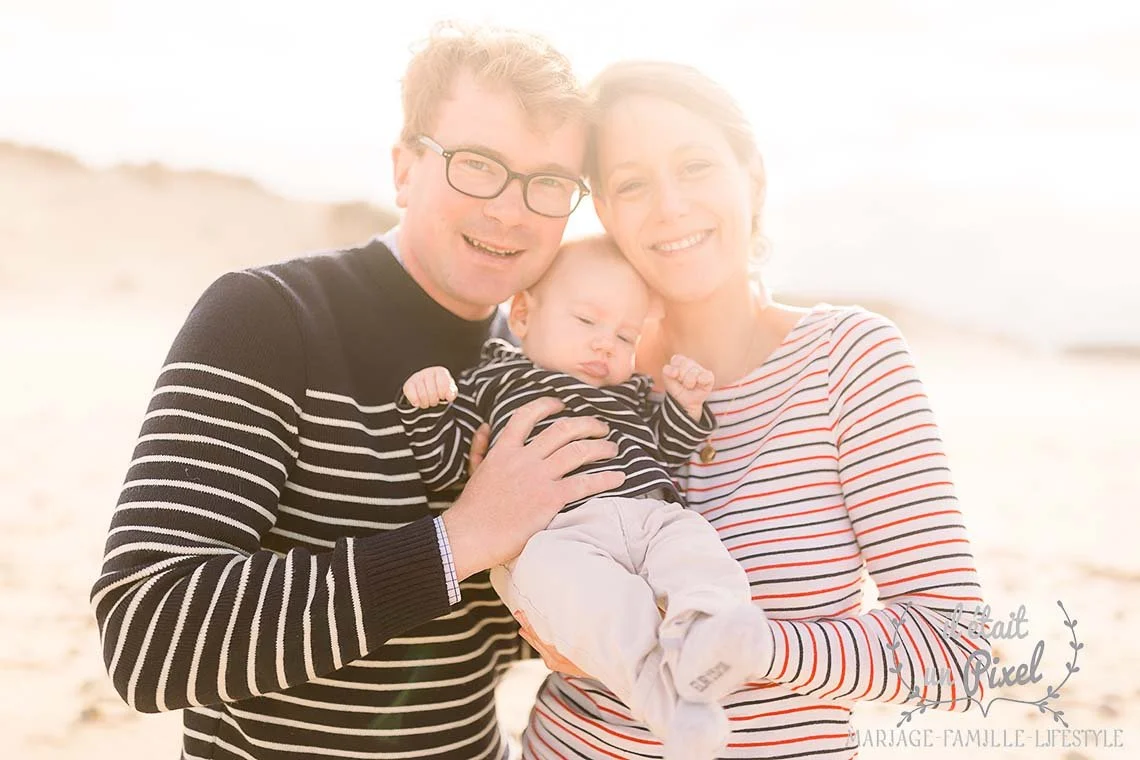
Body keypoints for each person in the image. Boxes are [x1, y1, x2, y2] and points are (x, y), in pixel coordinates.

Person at [89, 23, 626, 760]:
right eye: (478, 164)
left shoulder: (534, 366)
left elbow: (484, 640)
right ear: (404, 168)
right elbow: (148, 638)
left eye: (551, 182)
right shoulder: (266, 316)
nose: (512, 209)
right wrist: (461, 537)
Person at [519, 60, 992, 759]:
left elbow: (957, 653)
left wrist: (749, 645)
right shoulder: (579, 365)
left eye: (696, 166)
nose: (670, 204)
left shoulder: (847, 359)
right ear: (607, 213)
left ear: (755, 178)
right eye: (632, 184)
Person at [398, 235, 773, 759]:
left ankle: (709, 626)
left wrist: (684, 406)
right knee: (600, 607)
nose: (606, 345)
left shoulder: (631, 390)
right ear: (524, 315)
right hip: (559, 534)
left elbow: (666, 447)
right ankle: (675, 713)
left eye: (625, 335)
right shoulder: (494, 380)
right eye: (586, 322)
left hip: (651, 511)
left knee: (694, 547)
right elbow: (445, 467)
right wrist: (429, 408)